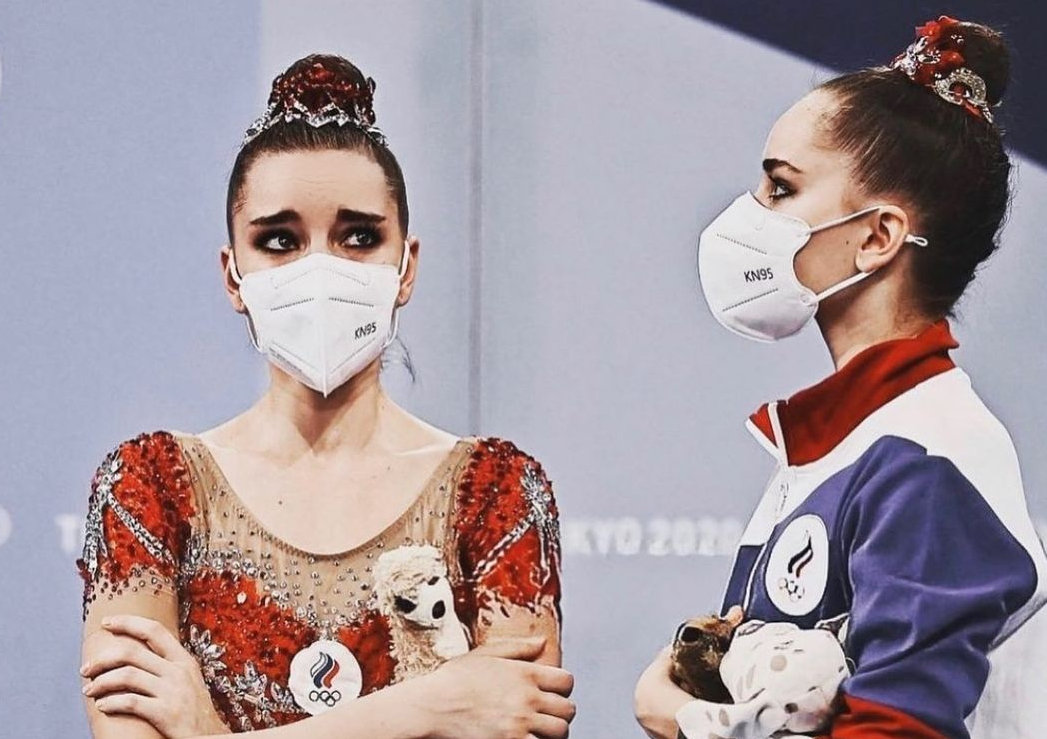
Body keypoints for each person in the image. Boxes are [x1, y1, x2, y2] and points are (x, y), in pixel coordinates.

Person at [77, 54, 574, 739]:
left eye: (359, 237)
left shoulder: (496, 492)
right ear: (233, 273)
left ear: (406, 267)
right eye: (279, 240)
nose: (319, 268)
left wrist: (204, 733)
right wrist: (430, 707)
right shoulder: (149, 488)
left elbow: (517, 721)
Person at [635, 16, 1046, 739]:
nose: (746, 216)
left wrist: (685, 721)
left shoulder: (929, 457)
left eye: (780, 188)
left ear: (877, 237)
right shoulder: (844, 444)